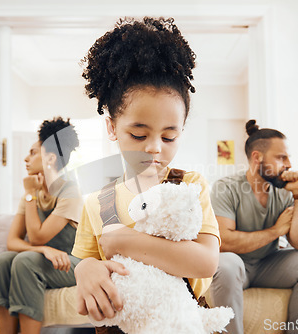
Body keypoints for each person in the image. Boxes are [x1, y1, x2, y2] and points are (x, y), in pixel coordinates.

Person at [71, 17, 221, 333]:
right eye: (138, 135)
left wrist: (123, 240)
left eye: (169, 137)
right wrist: (86, 269)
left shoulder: (190, 186)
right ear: (112, 127)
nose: (154, 148)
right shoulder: (97, 201)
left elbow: (206, 262)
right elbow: (84, 259)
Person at [209, 120, 298, 334]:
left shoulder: (285, 191)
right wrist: (275, 231)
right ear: (257, 157)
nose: (289, 164)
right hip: (238, 265)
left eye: (288, 157)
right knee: (226, 263)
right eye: (281, 157)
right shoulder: (226, 188)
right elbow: (224, 241)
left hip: (270, 264)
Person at [0, 117, 83, 334]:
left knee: (25, 261)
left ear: (50, 158)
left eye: (32, 152)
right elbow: (13, 241)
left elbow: (38, 236)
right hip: (48, 258)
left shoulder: (70, 191)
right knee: (2, 261)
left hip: (73, 262)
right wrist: (43, 250)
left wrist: (30, 194)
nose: (25, 158)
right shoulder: (32, 194)